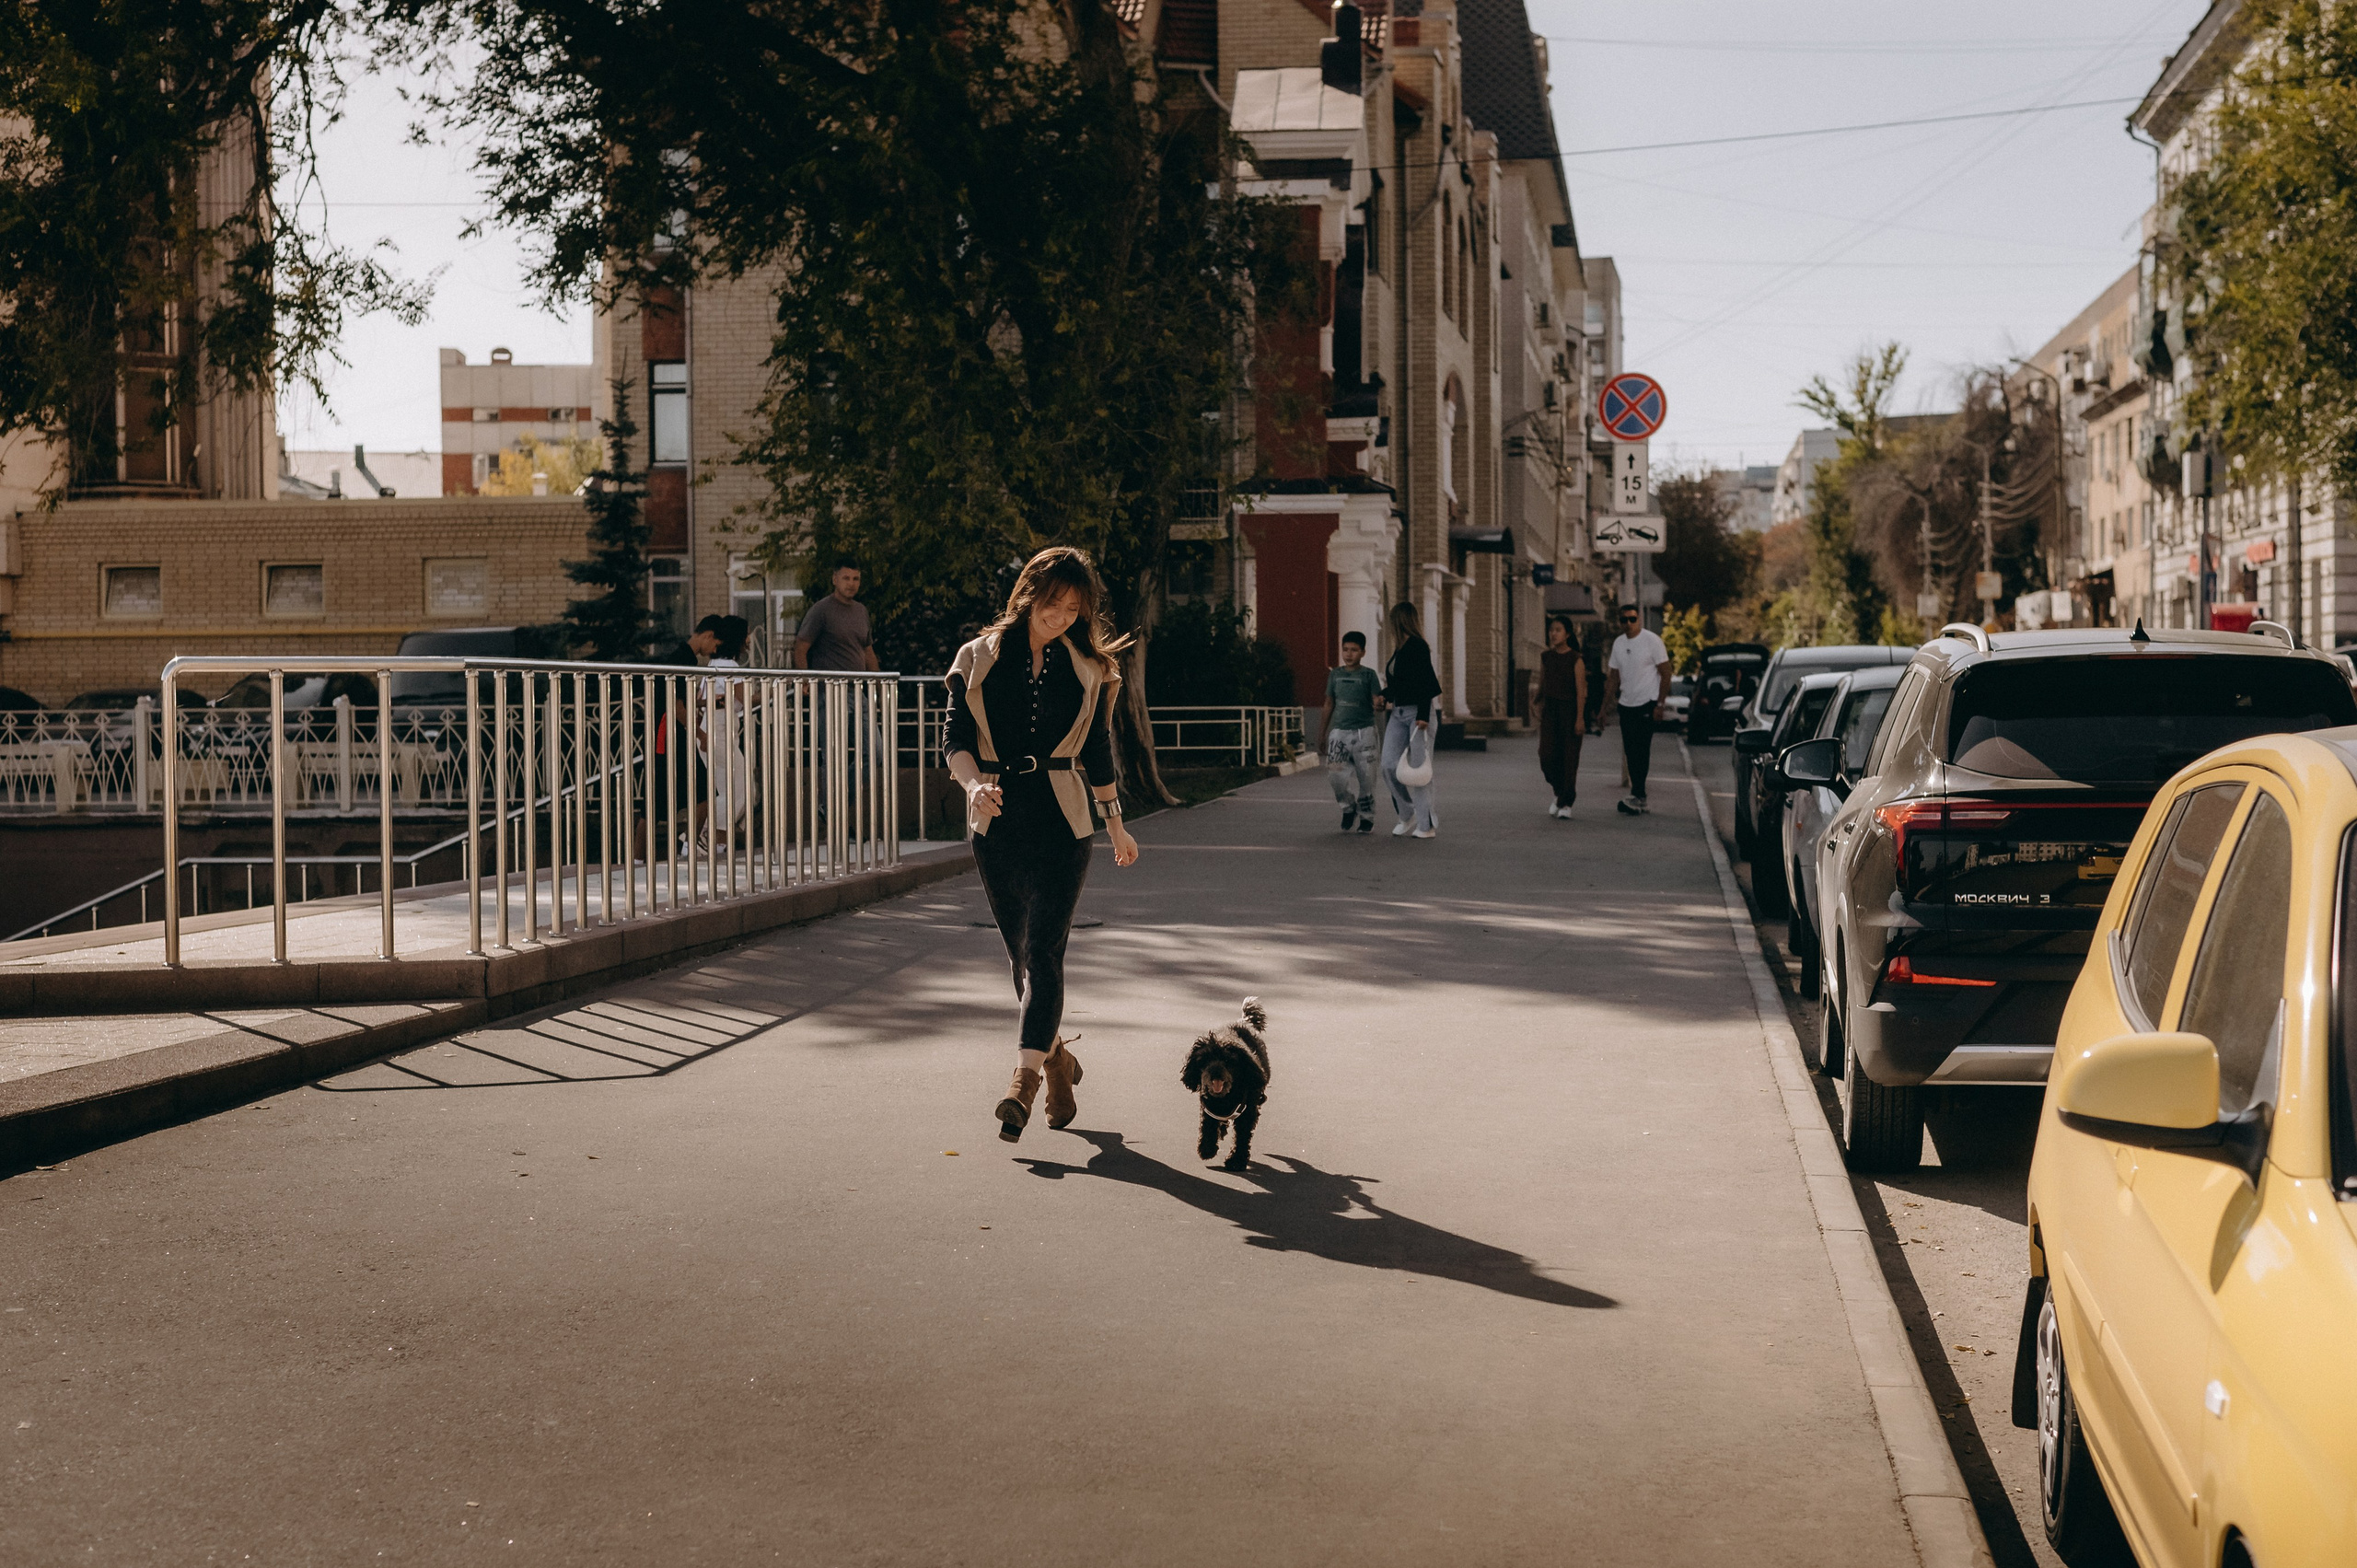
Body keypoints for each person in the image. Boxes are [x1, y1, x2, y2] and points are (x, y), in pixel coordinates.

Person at [944, 547, 1141, 1144]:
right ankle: (1057, 1061)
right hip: (998, 821)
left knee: (1045, 954)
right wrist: (974, 786)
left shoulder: (1088, 668)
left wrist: (1115, 823)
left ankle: (1022, 1082)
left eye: (1073, 609)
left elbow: (1098, 749)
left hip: (1065, 821)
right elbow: (954, 739)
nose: (1060, 616)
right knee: (1021, 958)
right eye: (1053, 603)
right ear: (1029, 593)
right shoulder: (977, 658)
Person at [1377, 600, 1442, 839]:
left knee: (1419, 771)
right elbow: (1400, 684)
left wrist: (1423, 715)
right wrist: (1384, 696)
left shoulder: (1418, 646)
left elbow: (1425, 681)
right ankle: (1407, 813)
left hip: (1418, 714)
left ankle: (1426, 826)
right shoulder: (1400, 648)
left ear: (1399, 621)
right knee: (1388, 765)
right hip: (1398, 713)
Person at [1602, 605, 1671, 816]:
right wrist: (1603, 709)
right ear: (1619, 622)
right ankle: (1639, 796)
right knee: (1631, 751)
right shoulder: (1619, 643)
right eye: (1624, 620)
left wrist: (1660, 704)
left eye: (1632, 619)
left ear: (1638, 619)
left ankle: (1638, 794)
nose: (1628, 624)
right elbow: (1613, 678)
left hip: (1647, 702)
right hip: (1626, 705)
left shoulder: (1652, 641)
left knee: (1641, 749)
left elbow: (1666, 673)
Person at [1320, 631, 1380, 832]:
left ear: (1363, 652)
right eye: (1345, 649)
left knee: (1367, 778)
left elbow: (1376, 700)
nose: (1349, 654)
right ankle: (1348, 808)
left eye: (1354, 650)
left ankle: (1367, 817)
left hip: (1365, 733)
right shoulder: (1335, 675)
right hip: (1339, 733)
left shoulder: (1369, 675)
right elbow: (1328, 703)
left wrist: (1379, 704)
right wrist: (1322, 733)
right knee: (1335, 775)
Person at [1538, 616, 1589, 818]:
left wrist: (1580, 718)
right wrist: (1536, 702)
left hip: (1570, 711)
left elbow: (1581, 692)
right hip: (1550, 712)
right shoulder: (1546, 657)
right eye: (1551, 630)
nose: (1553, 633)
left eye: (1558, 630)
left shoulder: (1576, 659)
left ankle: (1566, 803)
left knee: (1569, 758)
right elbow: (1543, 683)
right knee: (1546, 756)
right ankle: (1559, 792)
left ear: (1567, 634)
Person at [794, 561, 879, 672]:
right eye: (846, 578)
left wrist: (878, 681)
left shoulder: (861, 611)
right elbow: (800, 648)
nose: (851, 584)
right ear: (835, 579)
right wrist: (804, 679)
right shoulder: (822, 610)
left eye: (855, 579)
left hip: (857, 682)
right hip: (829, 682)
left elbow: (868, 652)